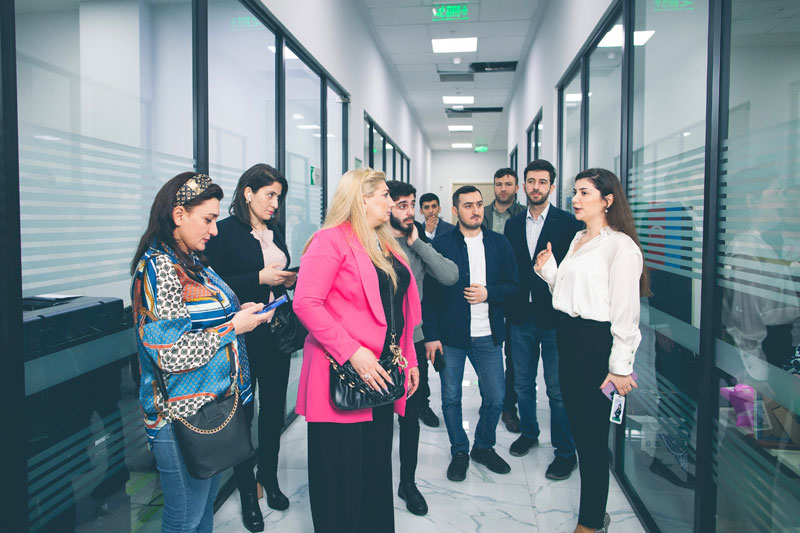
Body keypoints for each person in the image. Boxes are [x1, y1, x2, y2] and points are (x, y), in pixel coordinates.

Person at [130, 172, 273, 533]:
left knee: (203, 509)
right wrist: (232, 328)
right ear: (178, 215)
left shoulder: (192, 262)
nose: (214, 230)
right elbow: (170, 354)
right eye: (208, 219)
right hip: (179, 416)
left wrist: (239, 314)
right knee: (185, 517)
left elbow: (205, 320)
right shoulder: (159, 268)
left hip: (208, 409)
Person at [293, 168, 422, 533]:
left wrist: (410, 360)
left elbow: (399, 310)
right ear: (362, 200)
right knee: (340, 477)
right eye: (384, 194)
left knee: (374, 469)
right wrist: (351, 351)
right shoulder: (330, 240)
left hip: (381, 375)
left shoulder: (383, 241)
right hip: (342, 374)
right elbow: (306, 303)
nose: (391, 201)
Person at [535, 168, 649, 533]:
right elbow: (569, 294)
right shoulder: (578, 239)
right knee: (580, 432)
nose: (575, 199)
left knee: (593, 438)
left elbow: (626, 314)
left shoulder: (621, 247)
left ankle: (590, 522)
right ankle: (595, 515)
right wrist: (549, 271)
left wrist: (620, 368)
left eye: (584, 192)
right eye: (575, 192)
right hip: (568, 339)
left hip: (597, 346)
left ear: (607, 200)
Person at [204, 163, 296, 531]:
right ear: (248, 193)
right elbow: (214, 283)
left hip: (276, 333)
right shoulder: (224, 232)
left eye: (278, 197)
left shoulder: (274, 230)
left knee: (274, 413)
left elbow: (278, 270)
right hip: (242, 337)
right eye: (270, 195)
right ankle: (247, 493)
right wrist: (259, 277)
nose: (275, 203)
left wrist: (286, 279)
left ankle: (269, 478)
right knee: (244, 416)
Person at [423, 186, 519, 482]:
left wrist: (489, 293)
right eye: (468, 205)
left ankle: (483, 447)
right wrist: (431, 335)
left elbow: (513, 286)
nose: (476, 210)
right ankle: (460, 451)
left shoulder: (499, 243)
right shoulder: (441, 244)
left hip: (487, 335)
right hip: (451, 337)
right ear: (455, 210)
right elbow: (430, 296)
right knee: (451, 398)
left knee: (496, 397)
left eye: (478, 204)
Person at [503, 159, 581, 479]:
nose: (536, 187)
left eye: (542, 182)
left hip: (555, 319)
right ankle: (529, 433)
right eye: (531, 181)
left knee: (557, 389)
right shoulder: (512, 225)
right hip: (520, 317)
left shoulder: (569, 224)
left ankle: (565, 451)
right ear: (523, 185)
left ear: (552, 186)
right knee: (523, 383)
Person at [387, 180, 459, 516]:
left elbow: (449, 275)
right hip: (376, 345)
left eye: (411, 204)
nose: (409, 212)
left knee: (409, 417)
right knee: (376, 418)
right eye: (401, 205)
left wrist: (418, 243)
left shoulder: (417, 240)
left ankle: (408, 483)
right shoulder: (371, 240)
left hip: (412, 343)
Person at [482, 167, 527, 433]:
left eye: (508, 184)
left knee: (513, 355)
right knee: (486, 350)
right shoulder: (482, 213)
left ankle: (509, 406)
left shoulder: (524, 216)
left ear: (516, 188)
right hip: (485, 293)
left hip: (513, 292)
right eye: (499, 184)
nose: (503, 189)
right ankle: (491, 399)